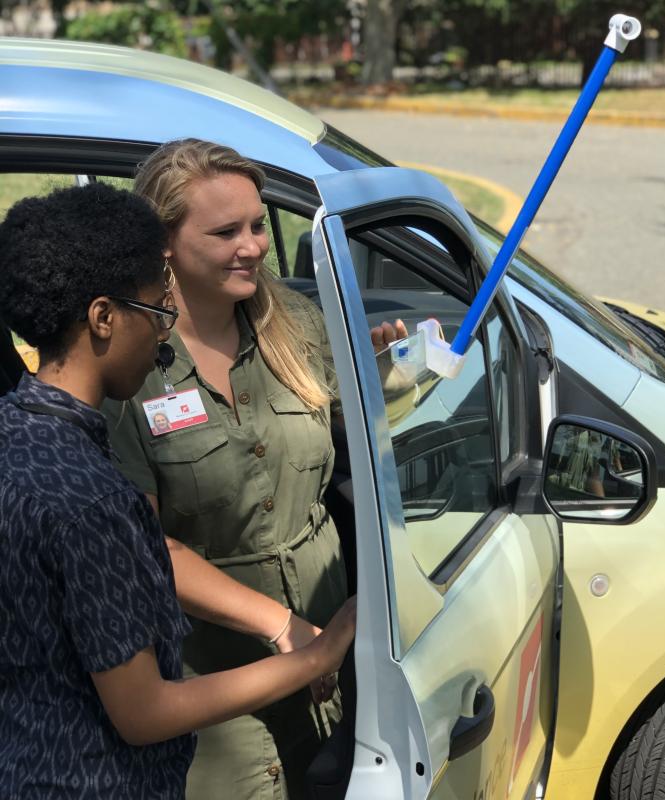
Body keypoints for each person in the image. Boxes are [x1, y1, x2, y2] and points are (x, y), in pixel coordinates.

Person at [0, 182, 356, 799]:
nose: (164, 335)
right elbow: (145, 714)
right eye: (156, 315)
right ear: (103, 317)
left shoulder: (16, 431)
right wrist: (314, 659)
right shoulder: (92, 499)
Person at [103, 138, 404, 799]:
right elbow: (148, 547)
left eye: (258, 224)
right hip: (211, 682)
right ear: (164, 246)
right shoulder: (130, 363)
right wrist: (279, 625)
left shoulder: (297, 325)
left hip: (331, 656)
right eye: (226, 231)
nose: (255, 245)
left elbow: (344, 436)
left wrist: (388, 374)